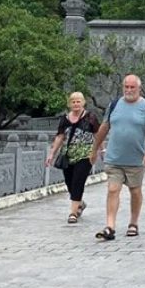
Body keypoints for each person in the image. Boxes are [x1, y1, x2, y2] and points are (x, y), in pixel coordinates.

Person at [90, 74, 145, 241]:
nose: (129, 90)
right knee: (113, 189)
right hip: (114, 158)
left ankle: (133, 223)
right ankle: (110, 226)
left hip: (135, 159)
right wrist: (94, 149)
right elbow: (104, 126)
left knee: (135, 191)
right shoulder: (114, 105)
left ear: (138, 88)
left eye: (132, 87)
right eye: (126, 87)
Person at [45, 92, 100, 224]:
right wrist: (52, 154)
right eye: (73, 102)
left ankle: (73, 213)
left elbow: (97, 134)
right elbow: (60, 137)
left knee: (78, 181)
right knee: (69, 182)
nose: (76, 104)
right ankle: (79, 203)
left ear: (83, 102)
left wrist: (100, 150)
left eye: (78, 101)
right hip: (68, 155)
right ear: (70, 104)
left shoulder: (90, 117)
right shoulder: (65, 119)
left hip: (85, 154)